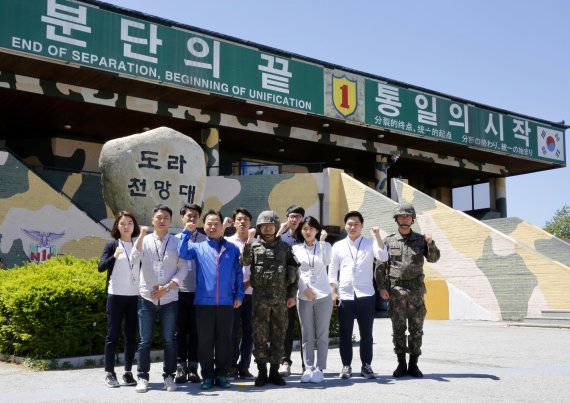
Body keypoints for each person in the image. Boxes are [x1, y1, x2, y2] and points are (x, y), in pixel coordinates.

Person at [178, 209, 244, 390]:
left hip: (226, 302)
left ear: (222, 226)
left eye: (216, 223)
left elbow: (238, 274)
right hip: (203, 303)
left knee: (224, 340)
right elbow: (182, 253)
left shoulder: (232, 248)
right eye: (209, 223)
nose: (213, 226)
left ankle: (222, 374)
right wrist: (186, 232)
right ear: (204, 226)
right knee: (205, 341)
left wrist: (239, 295)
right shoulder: (197, 247)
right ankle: (207, 375)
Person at [376, 203, 440, 378]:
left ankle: (414, 364)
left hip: (416, 292)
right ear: (396, 219)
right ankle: (401, 364)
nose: (404, 219)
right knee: (398, 329)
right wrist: (382, 287)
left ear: (413, 219)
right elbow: (381, 266)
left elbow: (433, 259)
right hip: (396, 291)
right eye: (401, 216)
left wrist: (430, 243)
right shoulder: (389, 241)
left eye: (407, 216)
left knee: (416, 330)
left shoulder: (421, 240)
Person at [132, 204, 187, 393]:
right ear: (152, 219)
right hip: (146, 296)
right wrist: (140, 235)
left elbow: (183, 268)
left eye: (165, 218)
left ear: (171, 221)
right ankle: (142, 377)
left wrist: (167, 287)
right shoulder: (145, 240)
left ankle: (169, 376)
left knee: (169, 340)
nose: (162, 220)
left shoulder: (177, 242)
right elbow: (134, 257)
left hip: (169, 297)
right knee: (144, 340)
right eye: (158, 217)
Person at [240, 210, 299, 387]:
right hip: (260, 300)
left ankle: (274, 371)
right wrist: (249, 242)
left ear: (275, 227)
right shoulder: (254, 246)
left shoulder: (285, 247)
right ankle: (261, 372)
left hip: (280, 300)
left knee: (279, 335)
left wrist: (292, 295)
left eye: (270, 225)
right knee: (260, 336)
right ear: (259, 227)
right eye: (264, 226)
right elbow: (243, 261)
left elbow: (295, 272)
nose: (267, 228)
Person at [328, 211, 388, 380]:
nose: (352, 227)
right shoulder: (338, 246)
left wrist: (377, 236)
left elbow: (383, 256)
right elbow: (332, 270)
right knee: (345, 333)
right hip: (345, 295)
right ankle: (346, 366)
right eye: (349, 224)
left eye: (356, 224)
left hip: (366, 295)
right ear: (345, 225)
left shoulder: (370, 243)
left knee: (366, 334)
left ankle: (366, 366)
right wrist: (333, 292)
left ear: (362, 226)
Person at [98, 211, 141, 388]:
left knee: (131, 337)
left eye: (130, 223)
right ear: (117, 226)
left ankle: (128, 372)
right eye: (122, 223)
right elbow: (101, 267)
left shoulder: (138, 244)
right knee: (112, 336)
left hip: (134, 296)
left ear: (134, 226)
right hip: (115, 296)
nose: (126, 226)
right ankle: (109, 373)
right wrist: (114, 255)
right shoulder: (112, 244)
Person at [292, 216, 333, 384]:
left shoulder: (326, 245)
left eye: (311, 228)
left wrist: (322, 242)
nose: (308, 232)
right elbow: (296, 272)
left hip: (324, 295)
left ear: (317, 230)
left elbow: (327, 261)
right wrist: (305, 289)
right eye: (304, 229)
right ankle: (308, 367)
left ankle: (320, 368)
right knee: (307, 333)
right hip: (304, 295)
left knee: (322, 333)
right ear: (301, 231)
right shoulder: (295, 249)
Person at [174, 204, 207, 384]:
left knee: (196, 332)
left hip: (198, 292)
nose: (192, 219)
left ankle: (193, 367)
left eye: (195, 216)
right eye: (188, 215)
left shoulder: (204, 239)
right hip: (178, 291)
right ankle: (180, 366)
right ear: (182, 218)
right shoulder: (175, 239)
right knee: (179, 331)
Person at [224, 208, 255, 380]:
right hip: (234, 293)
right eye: (239, 219)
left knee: (249, 332)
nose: (242, 222)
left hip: (252, 293)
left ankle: (245, 366)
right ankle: (231, 366)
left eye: (246, 219)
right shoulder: (229, 242)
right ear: (234, 222)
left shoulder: (257, 243)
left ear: (251, 222)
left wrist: (249, 283)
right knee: (232, 331)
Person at [275, 204, 305, 376]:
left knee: (305, 327)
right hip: (287, 288)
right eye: (292, 216)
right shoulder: (282, 237)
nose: (295, 220)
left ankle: (306, 363)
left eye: (298, 217)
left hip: (307, 287)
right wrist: (279, 232)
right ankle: (285, 360)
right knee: (286, 326)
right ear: (287, 218)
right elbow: (271, 247)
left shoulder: (306, 235)